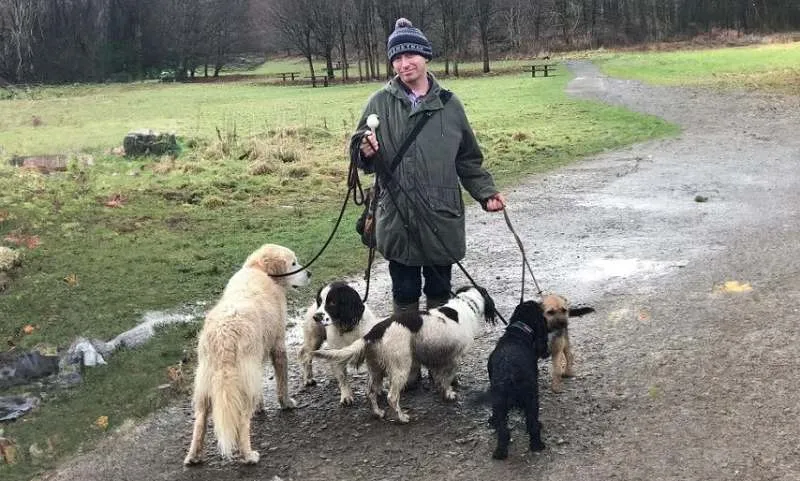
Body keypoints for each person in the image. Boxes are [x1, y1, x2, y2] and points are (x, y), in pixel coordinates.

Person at [353, 17, 506, 314]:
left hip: (441, 213)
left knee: (439, 288)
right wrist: (365, 151)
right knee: (404, 289)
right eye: (396, 58)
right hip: (397, 215)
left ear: (425, 56)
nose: (403, 63)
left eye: (409, 55)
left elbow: (468, 158)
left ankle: (439, 355)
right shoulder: (378, 103)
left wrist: (486, 193)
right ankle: (406, 358)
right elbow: (360, 155)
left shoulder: (450, 105)